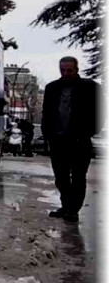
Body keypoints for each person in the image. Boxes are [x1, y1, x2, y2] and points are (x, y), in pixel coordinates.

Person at [42, 57, 100, 222]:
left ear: (76, 69)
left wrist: (89, 132)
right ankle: (66, 206)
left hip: (79, 142)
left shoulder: (90, 88)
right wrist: (48, 135)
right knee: (61, 178)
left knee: (78, 177)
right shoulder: (52, 88)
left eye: (69, 70)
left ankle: (73, 210)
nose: (66, 73)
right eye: (63, 70)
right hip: (58, 142)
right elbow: (47, 113)